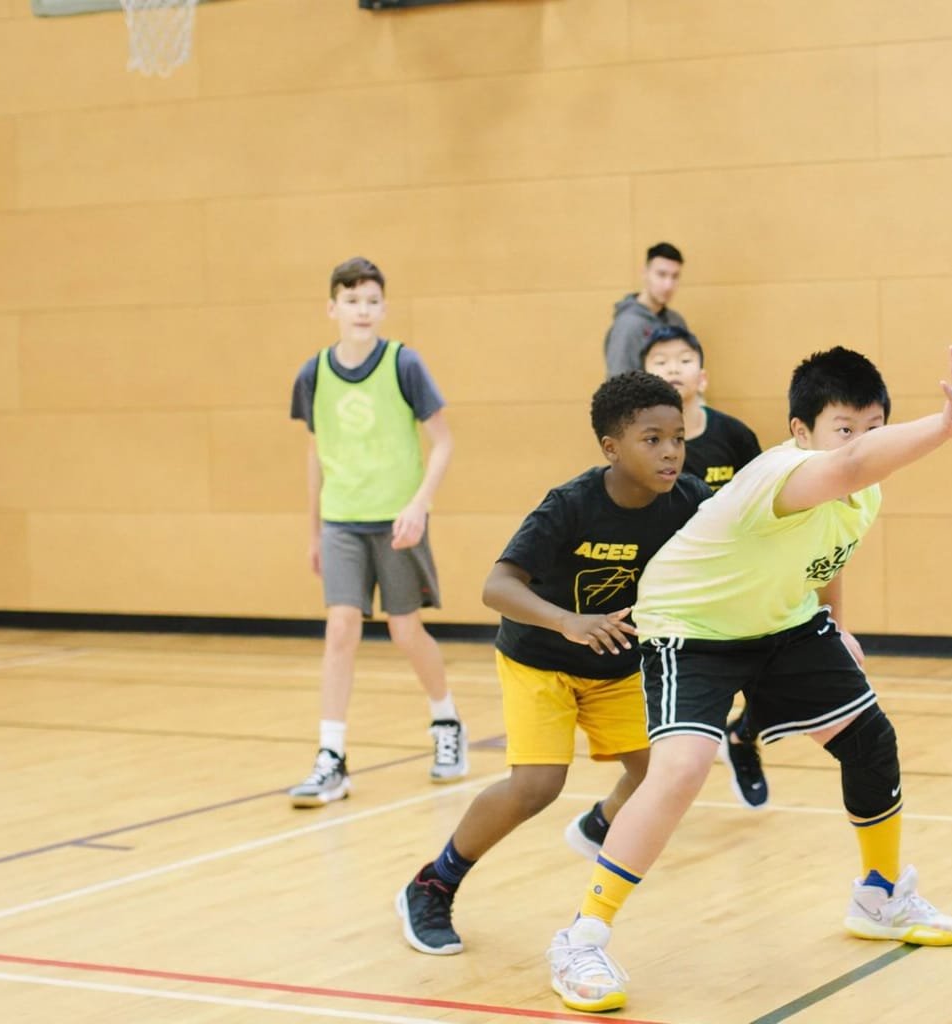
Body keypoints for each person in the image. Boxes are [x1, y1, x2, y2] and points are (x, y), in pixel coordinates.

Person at [543, 339, 952, 1013]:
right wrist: (947, 424)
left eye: (876, 429)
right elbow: (845, 467)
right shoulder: (781, 471)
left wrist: (835, 625)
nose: (864, 445)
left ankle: (880, 895)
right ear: (801, 432)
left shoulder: (861, 494)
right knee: (680, 768)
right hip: (691, 626)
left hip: (781, 622)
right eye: (846, 429)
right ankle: (581, 937)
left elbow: (826, 552)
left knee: (869, 739)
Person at [395, 372, 711, 956]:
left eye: (677, 438)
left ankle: (598, 826)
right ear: (611, 448)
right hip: (540, 659)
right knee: (537, 784)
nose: (670, 451)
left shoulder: (689, 500)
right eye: (652, 439)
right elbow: (497, 586)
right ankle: (433, 882)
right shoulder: (571, 505)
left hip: (615, 665)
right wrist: (568, 620)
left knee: (659, 774)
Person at [286, 257, 466, 808]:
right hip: (342, 518)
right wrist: (314, 531)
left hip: (398, 520)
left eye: (370, 301)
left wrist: (419, 506)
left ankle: (446, 723)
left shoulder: (404, 364)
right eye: (351, 300)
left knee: (405, 629)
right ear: (332, 307)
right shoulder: (313, 373)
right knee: (341, 628)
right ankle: (332, 756)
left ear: (383, 308)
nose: (361, 310)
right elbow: (316, 454)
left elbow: (444, 442)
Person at [639, 323, 773, 808]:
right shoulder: (639, 444)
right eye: (659, 361)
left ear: (704, 374)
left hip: (740, 582)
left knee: (775, 677)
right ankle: (651, 792)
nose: (673, 368)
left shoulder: (733, 435)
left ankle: (742, 738)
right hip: (674, 594)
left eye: (682, 359)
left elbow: (766, 500)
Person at [603, 242, 688, 378]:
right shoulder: (628, 325)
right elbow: (618, 386)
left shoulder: (676, 321)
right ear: (645, 273)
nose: (668, 285)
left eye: (675, 276)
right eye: (661, 274)